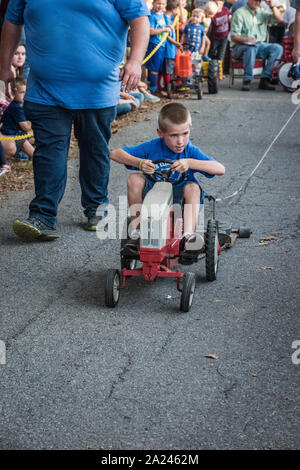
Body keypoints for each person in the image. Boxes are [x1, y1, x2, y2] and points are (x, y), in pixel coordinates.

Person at [0, 0, 150, 241]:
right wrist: (4, 64)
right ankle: (43, 216)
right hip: (44, 88)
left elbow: (140, 20)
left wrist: (135, 61)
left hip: (97, 90)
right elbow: (12, 22)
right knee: (49, 150)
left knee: (94, 148)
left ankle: (97, 208)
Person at [110, 102, 225, 253]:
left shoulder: (189, 151)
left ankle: (188, 237)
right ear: (160, 133)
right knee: (134, 179)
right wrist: (139, 163)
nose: (180, 141)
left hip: (180, 197)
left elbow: (220, 169)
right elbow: (114, 153)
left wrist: (190, 163)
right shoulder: (152, 147)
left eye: (185, 134)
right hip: (153, 195)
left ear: (189, 129)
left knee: (193, 187)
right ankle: (138, 233)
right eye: (174, 135)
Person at [230, 0, 284, 91]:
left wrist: (272, 6)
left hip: (259, 45)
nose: (258, 3)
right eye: (256, 0)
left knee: (278, 48)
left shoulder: (261, 12)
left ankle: (265, 79)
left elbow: (279, 19)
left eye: (260, 1)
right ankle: (247, 80)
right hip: (240, 46)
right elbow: (234, 37)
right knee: (251, 48)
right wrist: (246, 40)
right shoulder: (239, 13)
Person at [0, 77, 34, 161]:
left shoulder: (20, 105)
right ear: (12, 93)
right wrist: (35, 119)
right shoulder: (15, 107)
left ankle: (18, 152)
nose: (25, 95)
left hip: (16, 133)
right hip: (9, 135)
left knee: (34, 136)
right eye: (22, 92)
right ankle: (38, 158)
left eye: (26, 92)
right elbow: (25, 127)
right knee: (23, 141)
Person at [146, 0, 172, 95]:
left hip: (162, 45)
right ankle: (154, 89)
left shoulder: (162, 15)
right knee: (154, 68)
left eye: (163, 4)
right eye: (158, 3)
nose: (160, 6)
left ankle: (156, 86)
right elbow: (150, 31)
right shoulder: (152, 16)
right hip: (154, 45)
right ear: (153, 4)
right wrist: (164, 29)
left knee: (158, 68)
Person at [163, 0, 183, 97]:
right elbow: (166, 35)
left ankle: (169, 87)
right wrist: (176, 43)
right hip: (168, 49)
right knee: (168, 69)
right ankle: (167, 89)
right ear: (174, 9)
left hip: (171, 49)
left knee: (170, 68)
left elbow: (182, 20)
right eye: (178, 9)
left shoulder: (170, 17)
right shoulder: (166, 19)